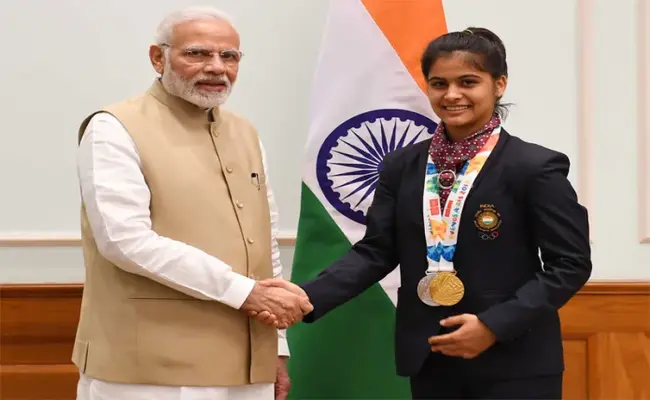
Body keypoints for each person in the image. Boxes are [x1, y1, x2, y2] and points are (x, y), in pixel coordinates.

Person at [255, 27, 592, 399]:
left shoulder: (534, 166)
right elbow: (376, 252)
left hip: (515, 361)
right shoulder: (402, 165)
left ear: (499, 85)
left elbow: (569, 264)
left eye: (468, 82)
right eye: (439, 83)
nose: (452, 95)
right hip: (430, 357)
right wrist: (307, 297)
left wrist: (494, 325)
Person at [72, 6, 311, 400]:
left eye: (229, 56)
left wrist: (277, 347)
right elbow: (124, 241)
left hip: (247, 365)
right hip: (147, 368)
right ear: (157, 57)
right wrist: (244, 292)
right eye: (197, 54)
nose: (217, 67)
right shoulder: (113, 126)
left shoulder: (245, 132)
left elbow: (263, 245)